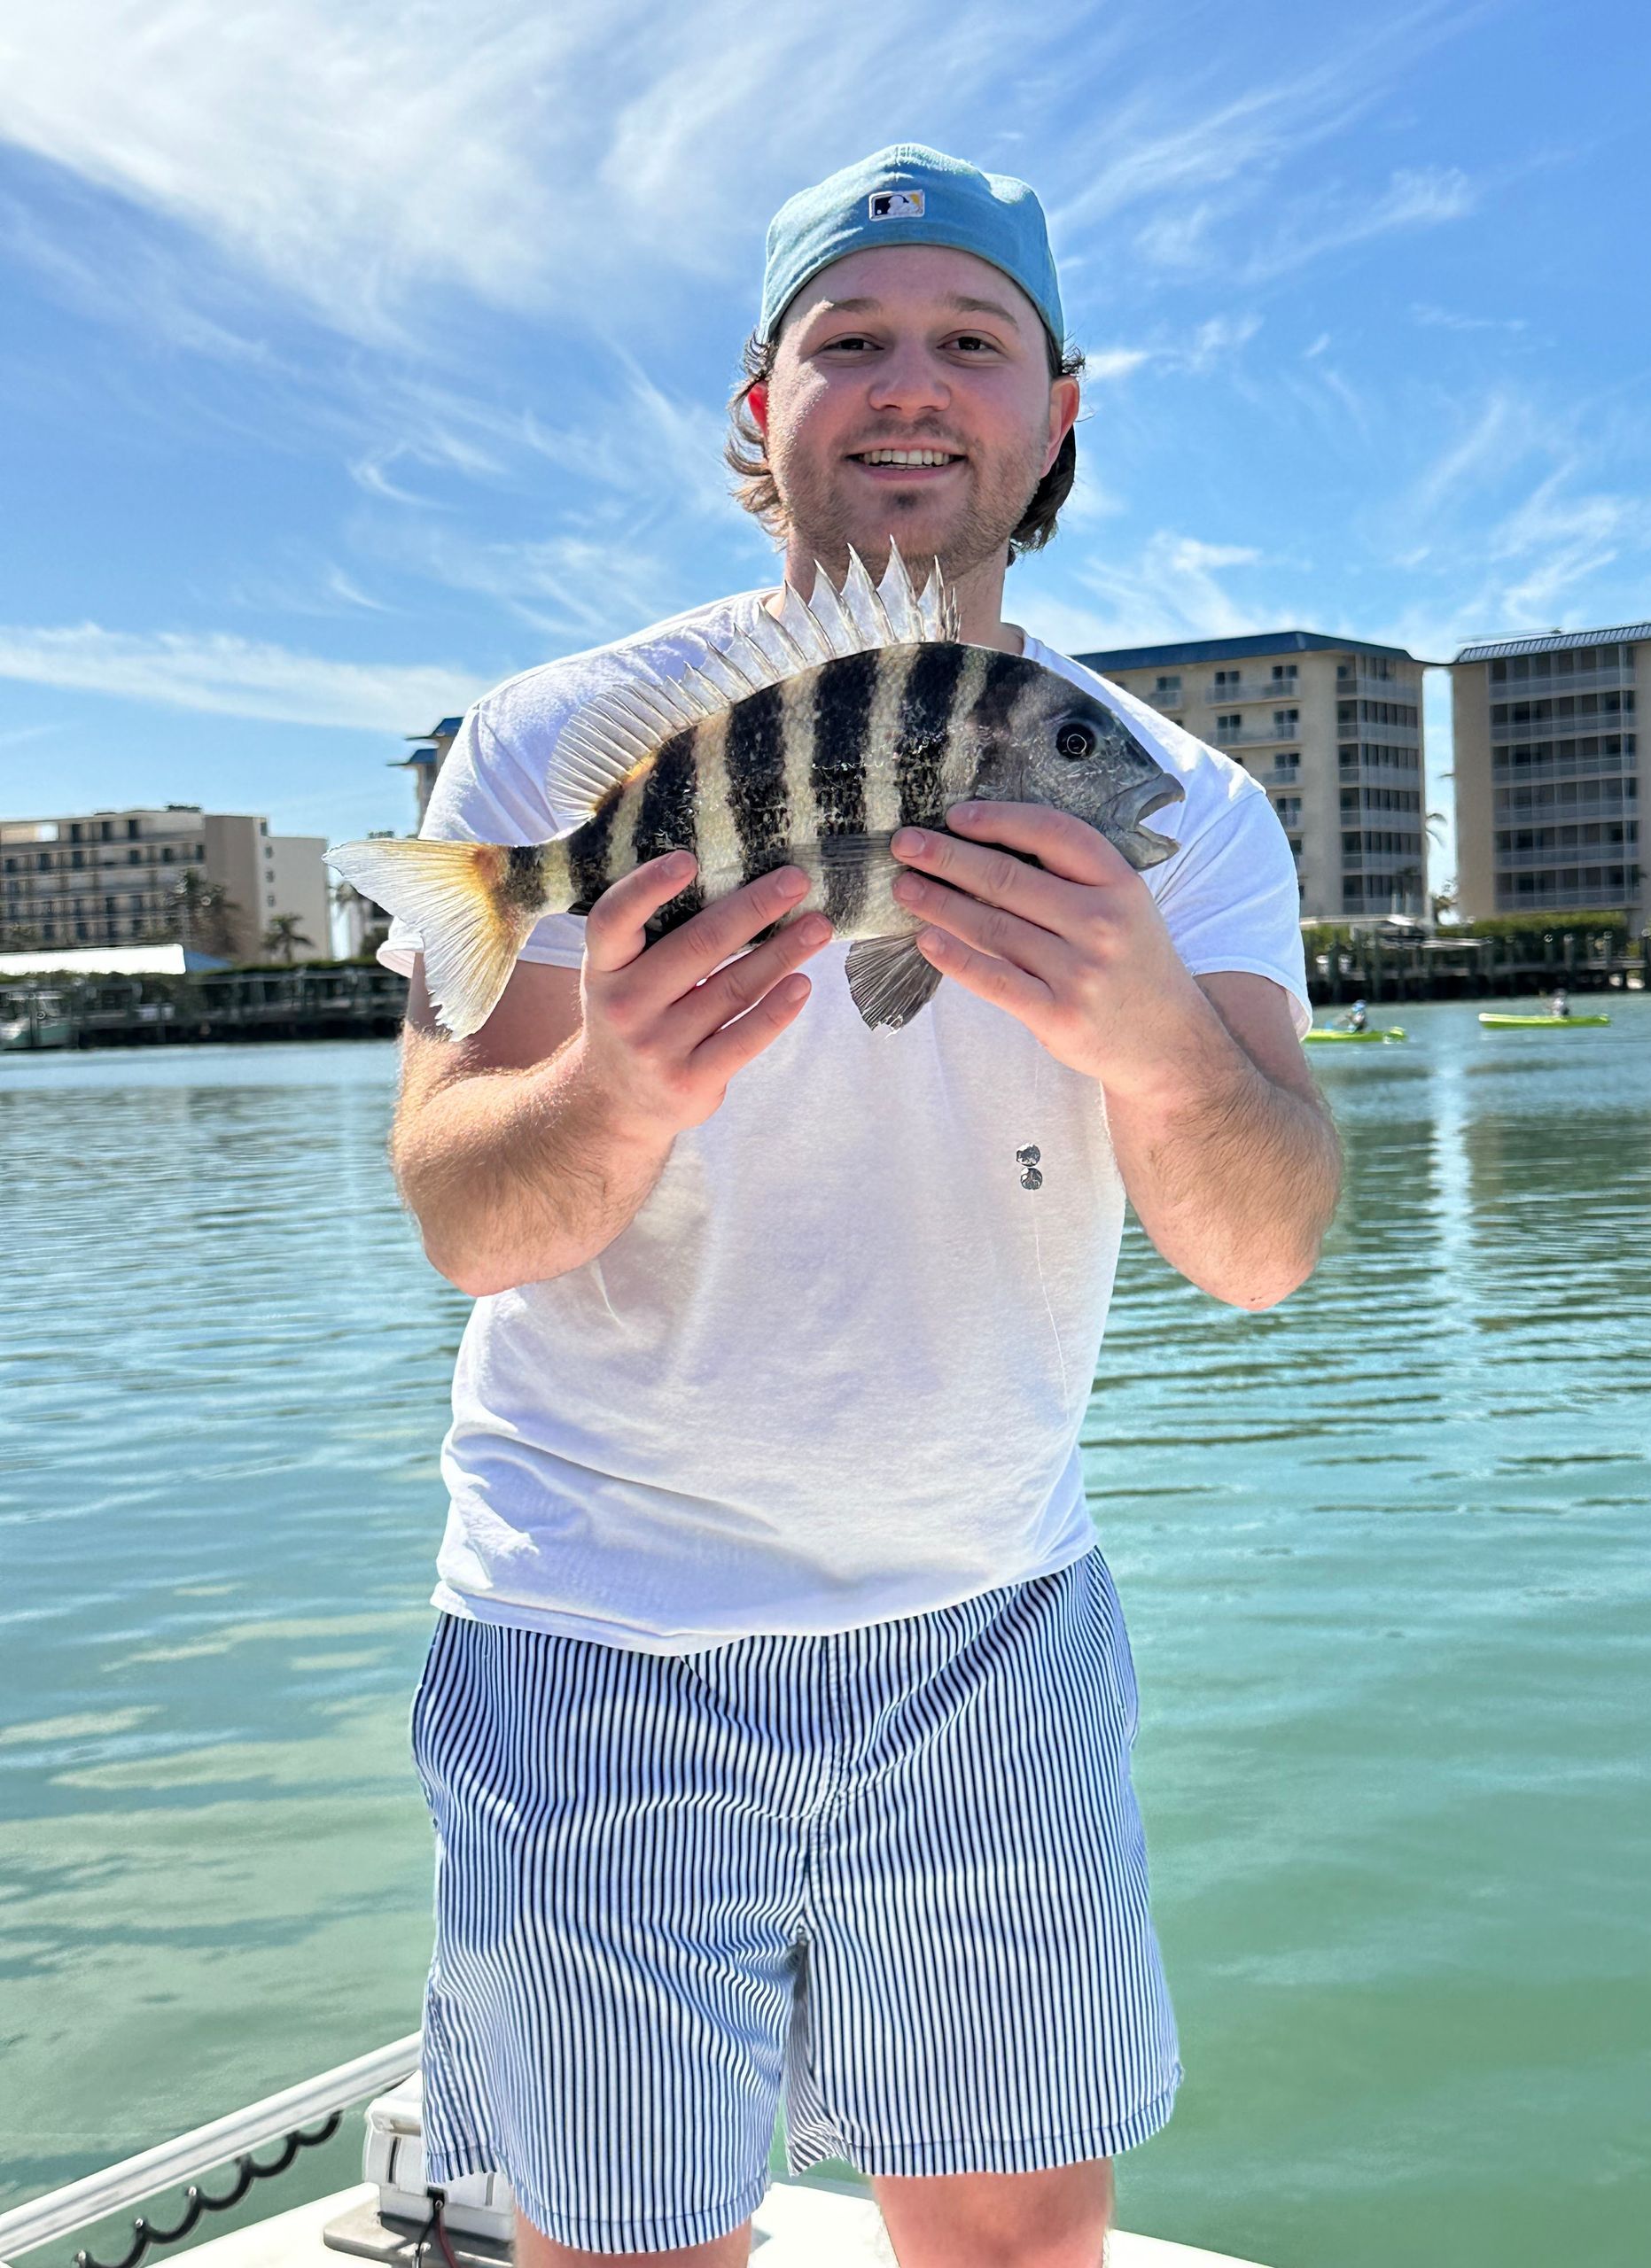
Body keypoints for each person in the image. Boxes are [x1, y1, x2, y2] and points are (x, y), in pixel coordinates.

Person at [378, 144, 1343, 2268]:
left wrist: (1160, 1036)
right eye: (856, 339)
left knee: (1015, 2240)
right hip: (588, 1617)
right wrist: (617, 1085)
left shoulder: (1186, 801)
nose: (914, 387)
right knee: (624, 2246)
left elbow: (1263, 1250)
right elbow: (466, 1217)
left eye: (972, 340)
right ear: (762, 404)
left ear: (1058, 407)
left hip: (992, 1622)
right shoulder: (554, 746)